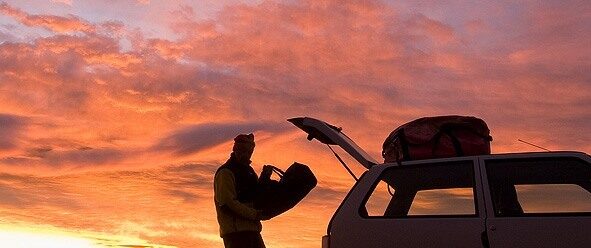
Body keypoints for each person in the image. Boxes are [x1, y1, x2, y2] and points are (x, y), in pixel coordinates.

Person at [214, 133, 271, 248]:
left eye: (248, 152)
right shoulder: (225, 172)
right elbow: (227, 203)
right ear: (235, 149)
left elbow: (256, 194)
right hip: (235, 234)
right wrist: (255, 214)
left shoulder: (249, 171)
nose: (245, 154)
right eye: (241, 150)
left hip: (252, 230)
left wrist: (265, 177)